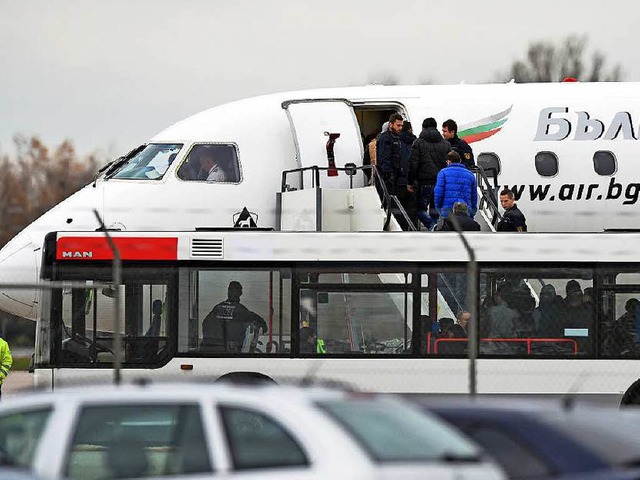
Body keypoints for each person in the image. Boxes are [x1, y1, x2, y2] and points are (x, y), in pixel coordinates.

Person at [408, 117, 451, 230]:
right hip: (440, 183)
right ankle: (436, 229)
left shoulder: (418, 143)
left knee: (419, 210)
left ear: (423, 127)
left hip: (424, 182)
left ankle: (432, 227)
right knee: (435, 212)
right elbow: (449, 163)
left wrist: (410, 181)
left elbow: (413, 164)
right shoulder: (445, 144)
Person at [201, 281, 267, 352]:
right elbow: (257, 320)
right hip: (230, 352)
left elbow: (205, 324)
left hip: (211, 351)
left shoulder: (217, 308)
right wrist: (263, 325)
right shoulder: (240, 310)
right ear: (240, 293)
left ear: (228, 291)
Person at [434, 151, 478, 220]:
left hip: (447, 212)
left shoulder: (443, 173)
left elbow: (438, 194)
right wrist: (472, 212)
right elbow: (474, 196)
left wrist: (439, 209)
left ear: (448, 161)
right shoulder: (470, 175)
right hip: (466, 212)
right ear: (460, 161)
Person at [375, 113, 404, 198]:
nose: (400, 128)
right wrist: (388, 175)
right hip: (386, 177)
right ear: (391, 124)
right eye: (398, 125)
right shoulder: (386, 138)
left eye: (401, 125)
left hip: (393, 175)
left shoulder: (396, 138)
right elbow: (384, 158)